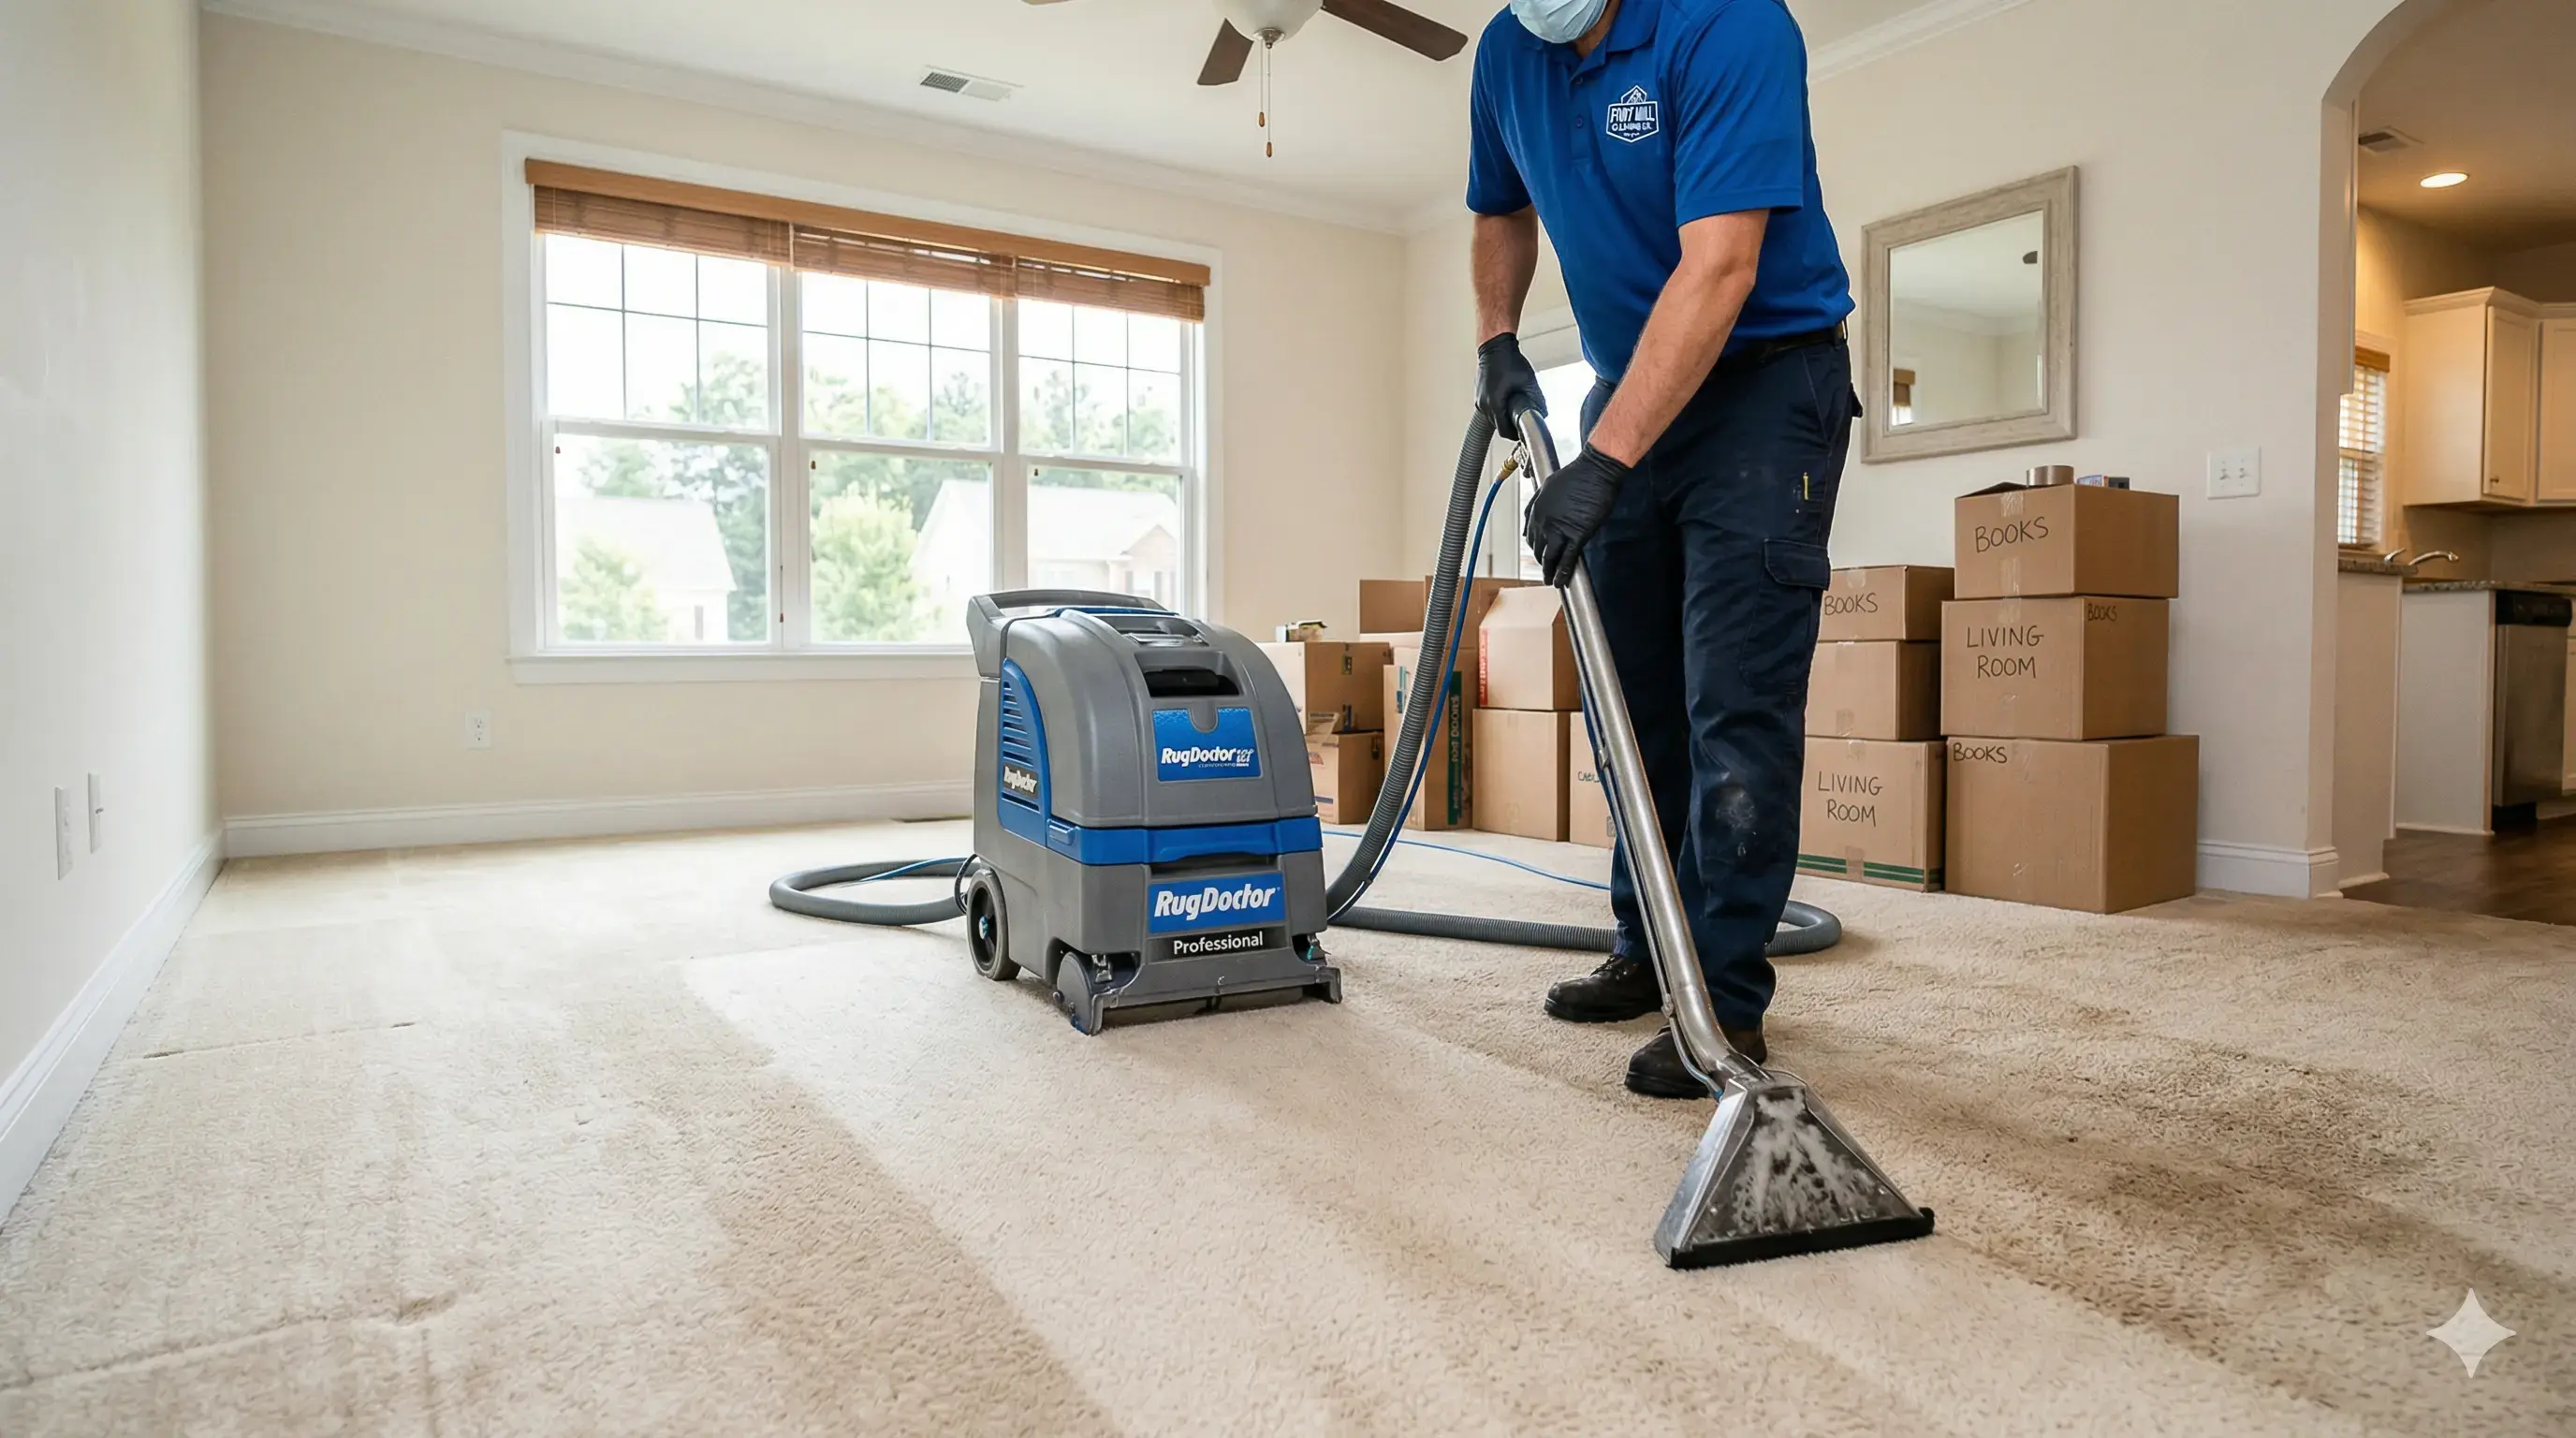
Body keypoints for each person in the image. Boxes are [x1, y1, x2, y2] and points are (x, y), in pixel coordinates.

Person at [1465, 0, 1859, 1096]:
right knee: (1626, 700)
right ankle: (1649, 949)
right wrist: (1496, 339)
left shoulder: (1729, 25)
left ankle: (1721, 1003)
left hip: (1766, 385)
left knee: (1731, 702)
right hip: (1632, 384)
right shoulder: (1508, 53)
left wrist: (1605, 459)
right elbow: (1499, 207)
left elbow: (1722, 269)